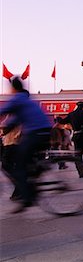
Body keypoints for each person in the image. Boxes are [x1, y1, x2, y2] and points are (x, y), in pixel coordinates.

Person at [0, 77, 52, 212]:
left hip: (35, 134)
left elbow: (3, 111)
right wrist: (6, 128)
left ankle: (27, 197)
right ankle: (36, 176)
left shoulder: (17, 99)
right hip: (45, 132)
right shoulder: (27, 100)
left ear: (13, 88)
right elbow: (16, 120)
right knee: (27, 163)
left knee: (18, 165)